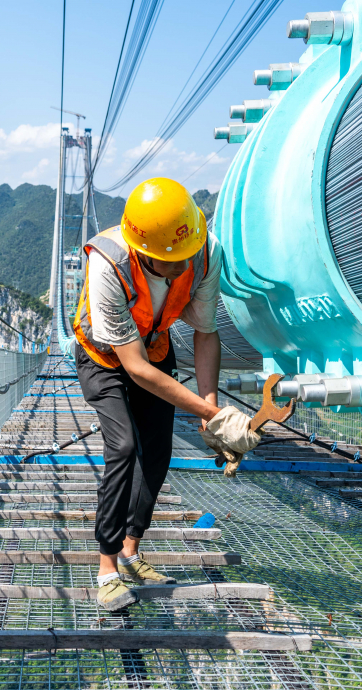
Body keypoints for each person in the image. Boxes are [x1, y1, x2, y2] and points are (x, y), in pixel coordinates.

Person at [72, 178, 262, 611]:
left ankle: (131, 551)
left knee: (156, 452)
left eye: (185, 258)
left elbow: (205, 331)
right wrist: (211, 414)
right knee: (123, 446)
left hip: (154, 347)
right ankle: (106, 570)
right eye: (168, 263)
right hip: (103, 357)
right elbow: (132, 367)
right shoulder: (108, 263)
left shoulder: (204, 251)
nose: (181, 269)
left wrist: (208, 410)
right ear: (142, 252)